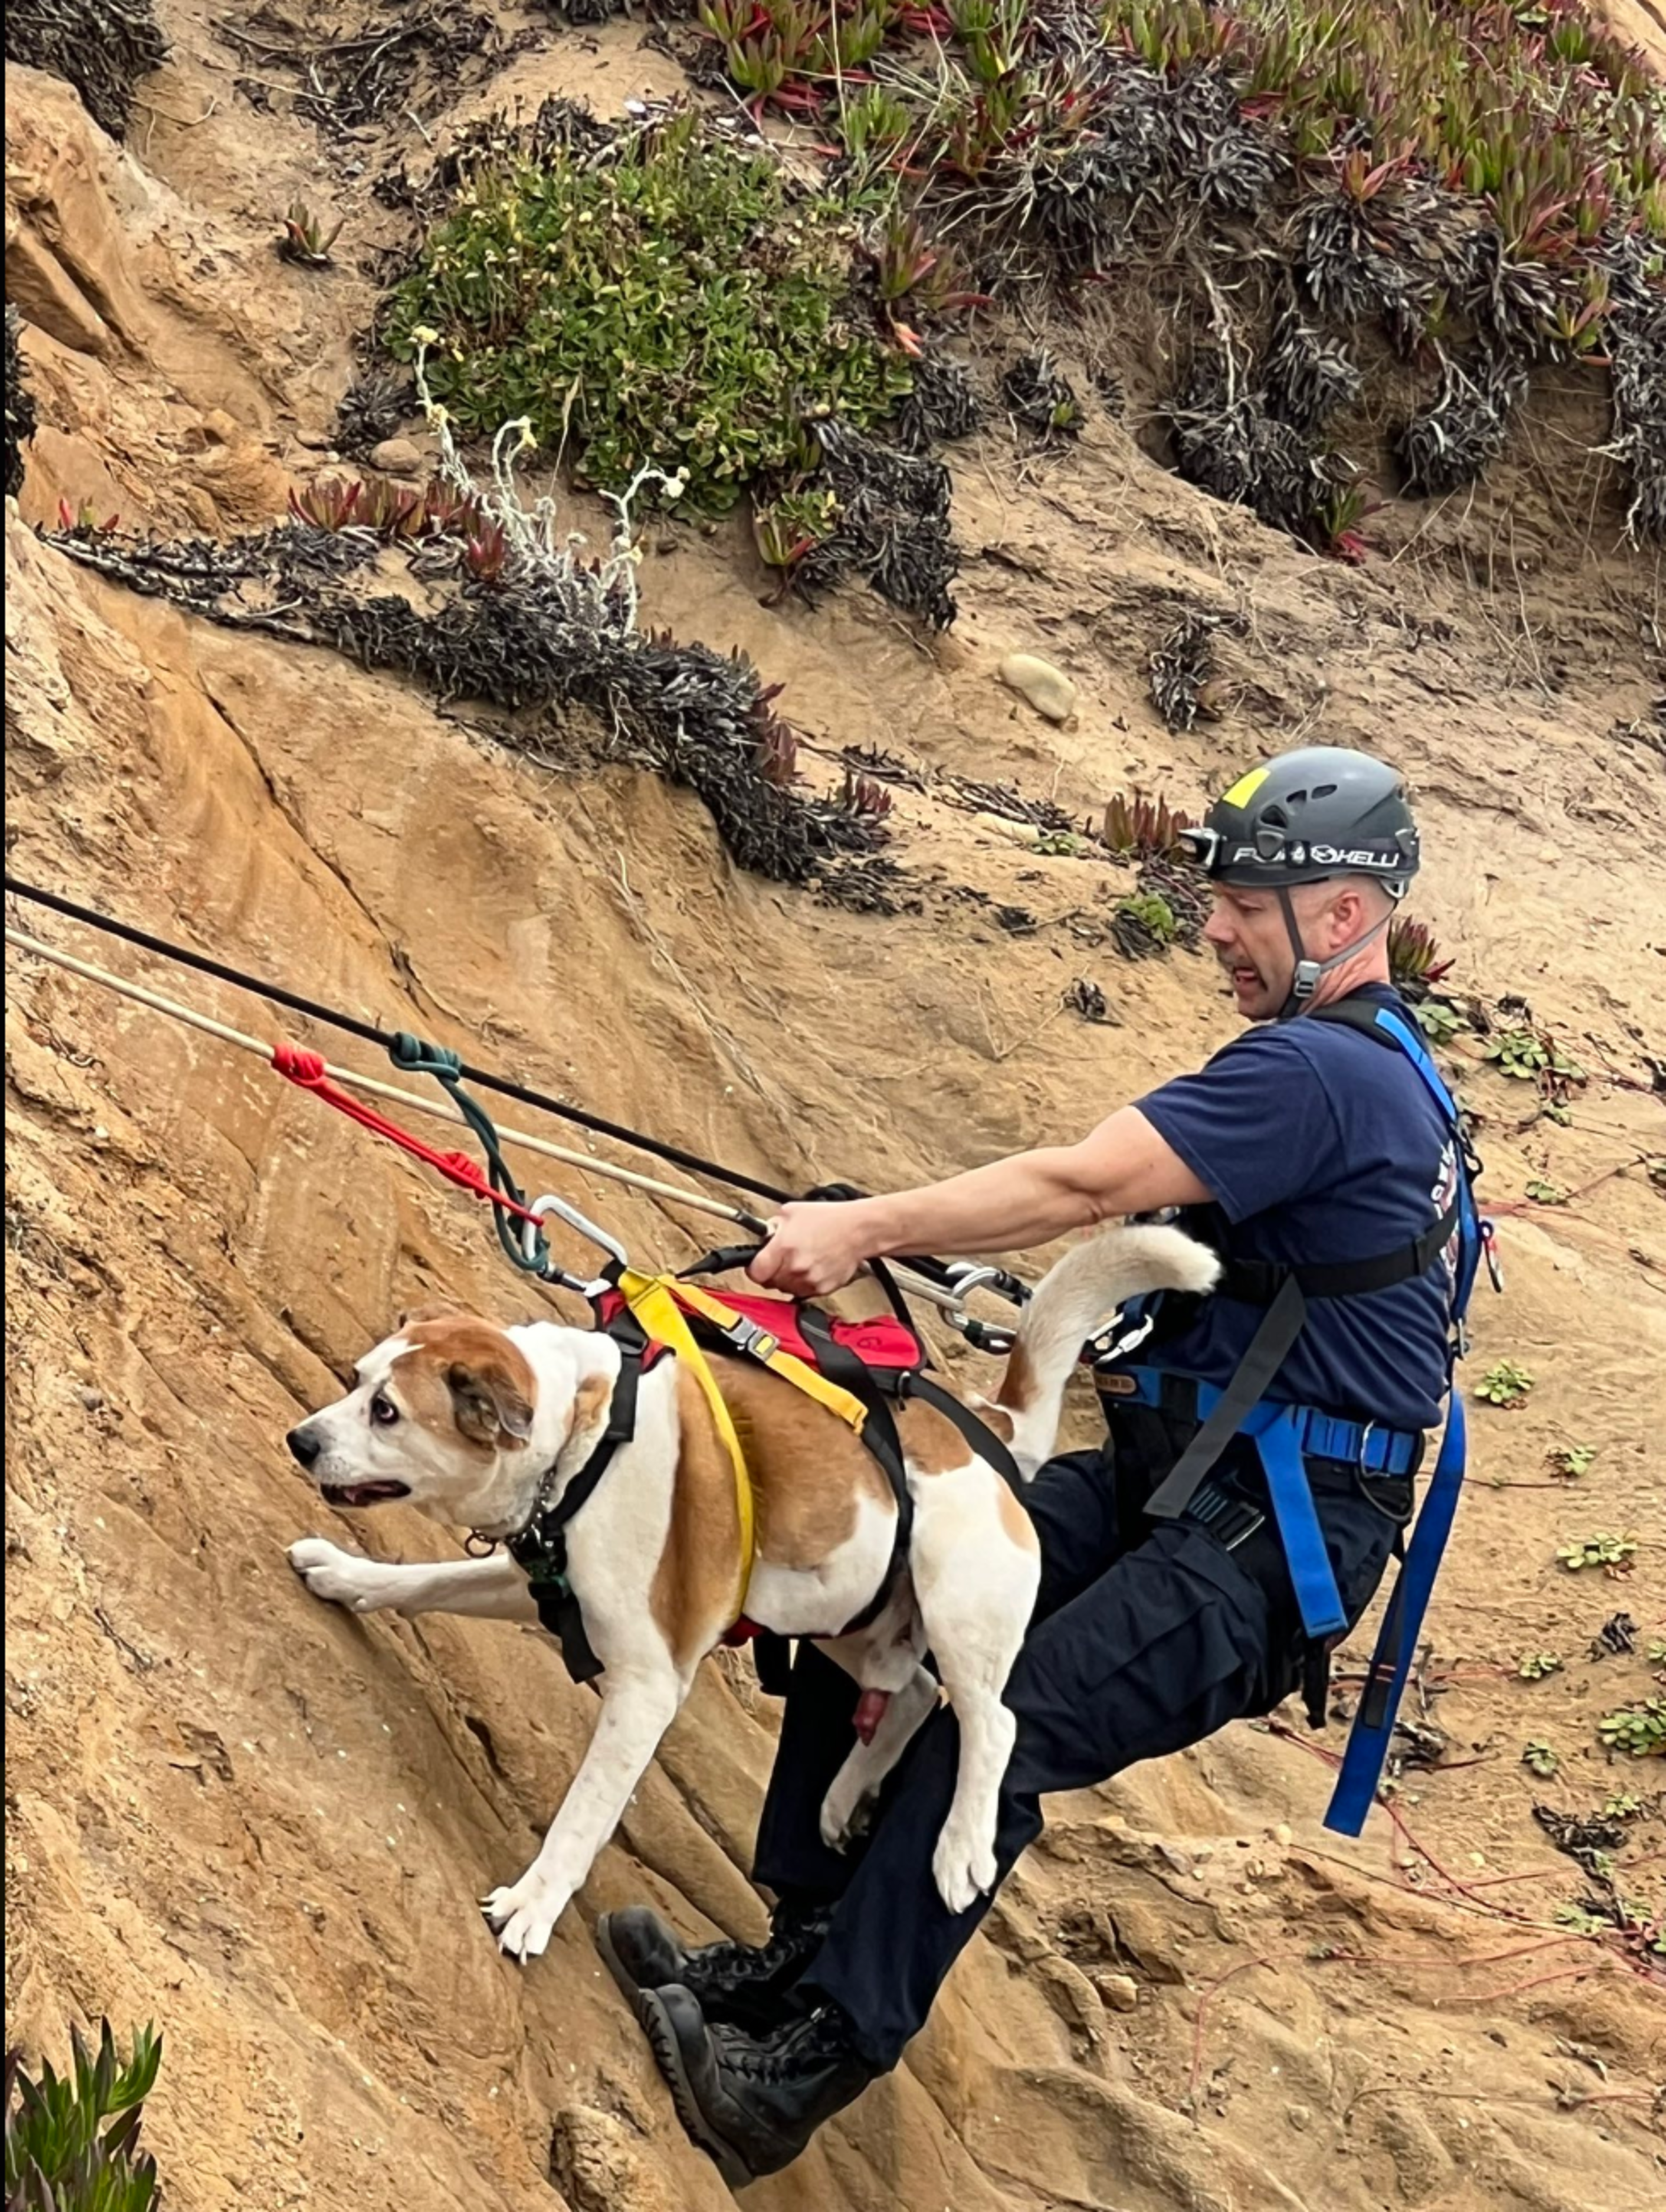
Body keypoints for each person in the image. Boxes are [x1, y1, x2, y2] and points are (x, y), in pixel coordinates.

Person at [599, 746, 1485, 2187]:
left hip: (1265, 1545)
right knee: (883, 1590)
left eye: (1243, 903)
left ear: (1338, 914)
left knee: (994, 1718)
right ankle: (794, 1951)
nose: (1213, 928)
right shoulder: (1380, 1071)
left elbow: (1085, 1186)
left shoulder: (1319, 1074)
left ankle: (804, 2066)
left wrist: (864, 1229)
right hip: (1183, 1483)